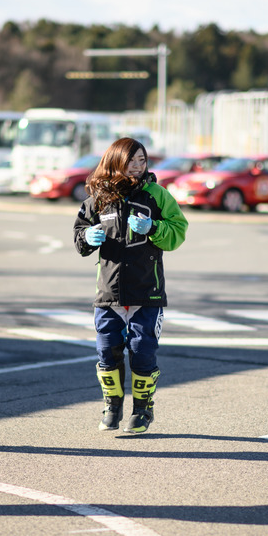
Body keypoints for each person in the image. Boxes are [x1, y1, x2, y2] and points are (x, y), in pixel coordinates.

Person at [73, 137, 188, 433]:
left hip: (147, 291)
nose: (137, 167)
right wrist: (87, 239)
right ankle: (112, 407)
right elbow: (79, 232)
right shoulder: (99, 197)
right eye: (131, 161)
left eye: (142, 160)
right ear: (115, 161)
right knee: (107, 351)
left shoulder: (157, 195)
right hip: (108, 293)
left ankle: (142, 411)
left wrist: (155, 228)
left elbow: (178, 230)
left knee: (142, 351)